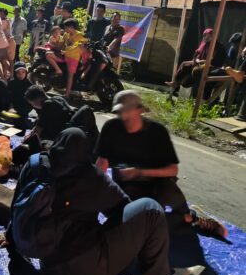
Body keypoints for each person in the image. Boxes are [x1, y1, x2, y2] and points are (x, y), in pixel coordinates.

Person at [0, 128, 196, 275]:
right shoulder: (90, 175)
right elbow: (124, 210)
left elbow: (18, 206)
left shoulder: (34, 164)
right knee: (150, 210)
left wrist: (11, 236)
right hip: (86, 273)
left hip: (48, 264)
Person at [95, 90, 228, 238]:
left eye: (127, 112)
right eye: (120, 113)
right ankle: (167, 220)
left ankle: (190, 217)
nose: (123, 117)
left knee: (167, 196)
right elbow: (102, 162)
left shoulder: (157, 132)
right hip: (124, 190)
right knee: (130, 223)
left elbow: (172, 170)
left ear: (140, 110)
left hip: (156, 188)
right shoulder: (111, 127)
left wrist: (139, 172)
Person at [62, 18, 89, 98]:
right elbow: (63, 44)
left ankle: (67, 95)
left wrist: (82, 46)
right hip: (64, 56)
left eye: (66, 27)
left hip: (73, 59)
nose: (65, 29)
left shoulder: (80, 35)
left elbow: (85, 47)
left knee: (70, 76)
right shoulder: (66, 34)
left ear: (71, 27)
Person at [0, 8, 15, 79]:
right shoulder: (6, 20)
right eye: (0, 13)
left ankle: (10, 76)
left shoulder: (5, 21)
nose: (0, 14)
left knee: (9, 60)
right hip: (5, 42)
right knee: (4, 60)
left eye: (2, 13)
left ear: (5, 14)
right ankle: (7, 75)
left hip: (9, 42)